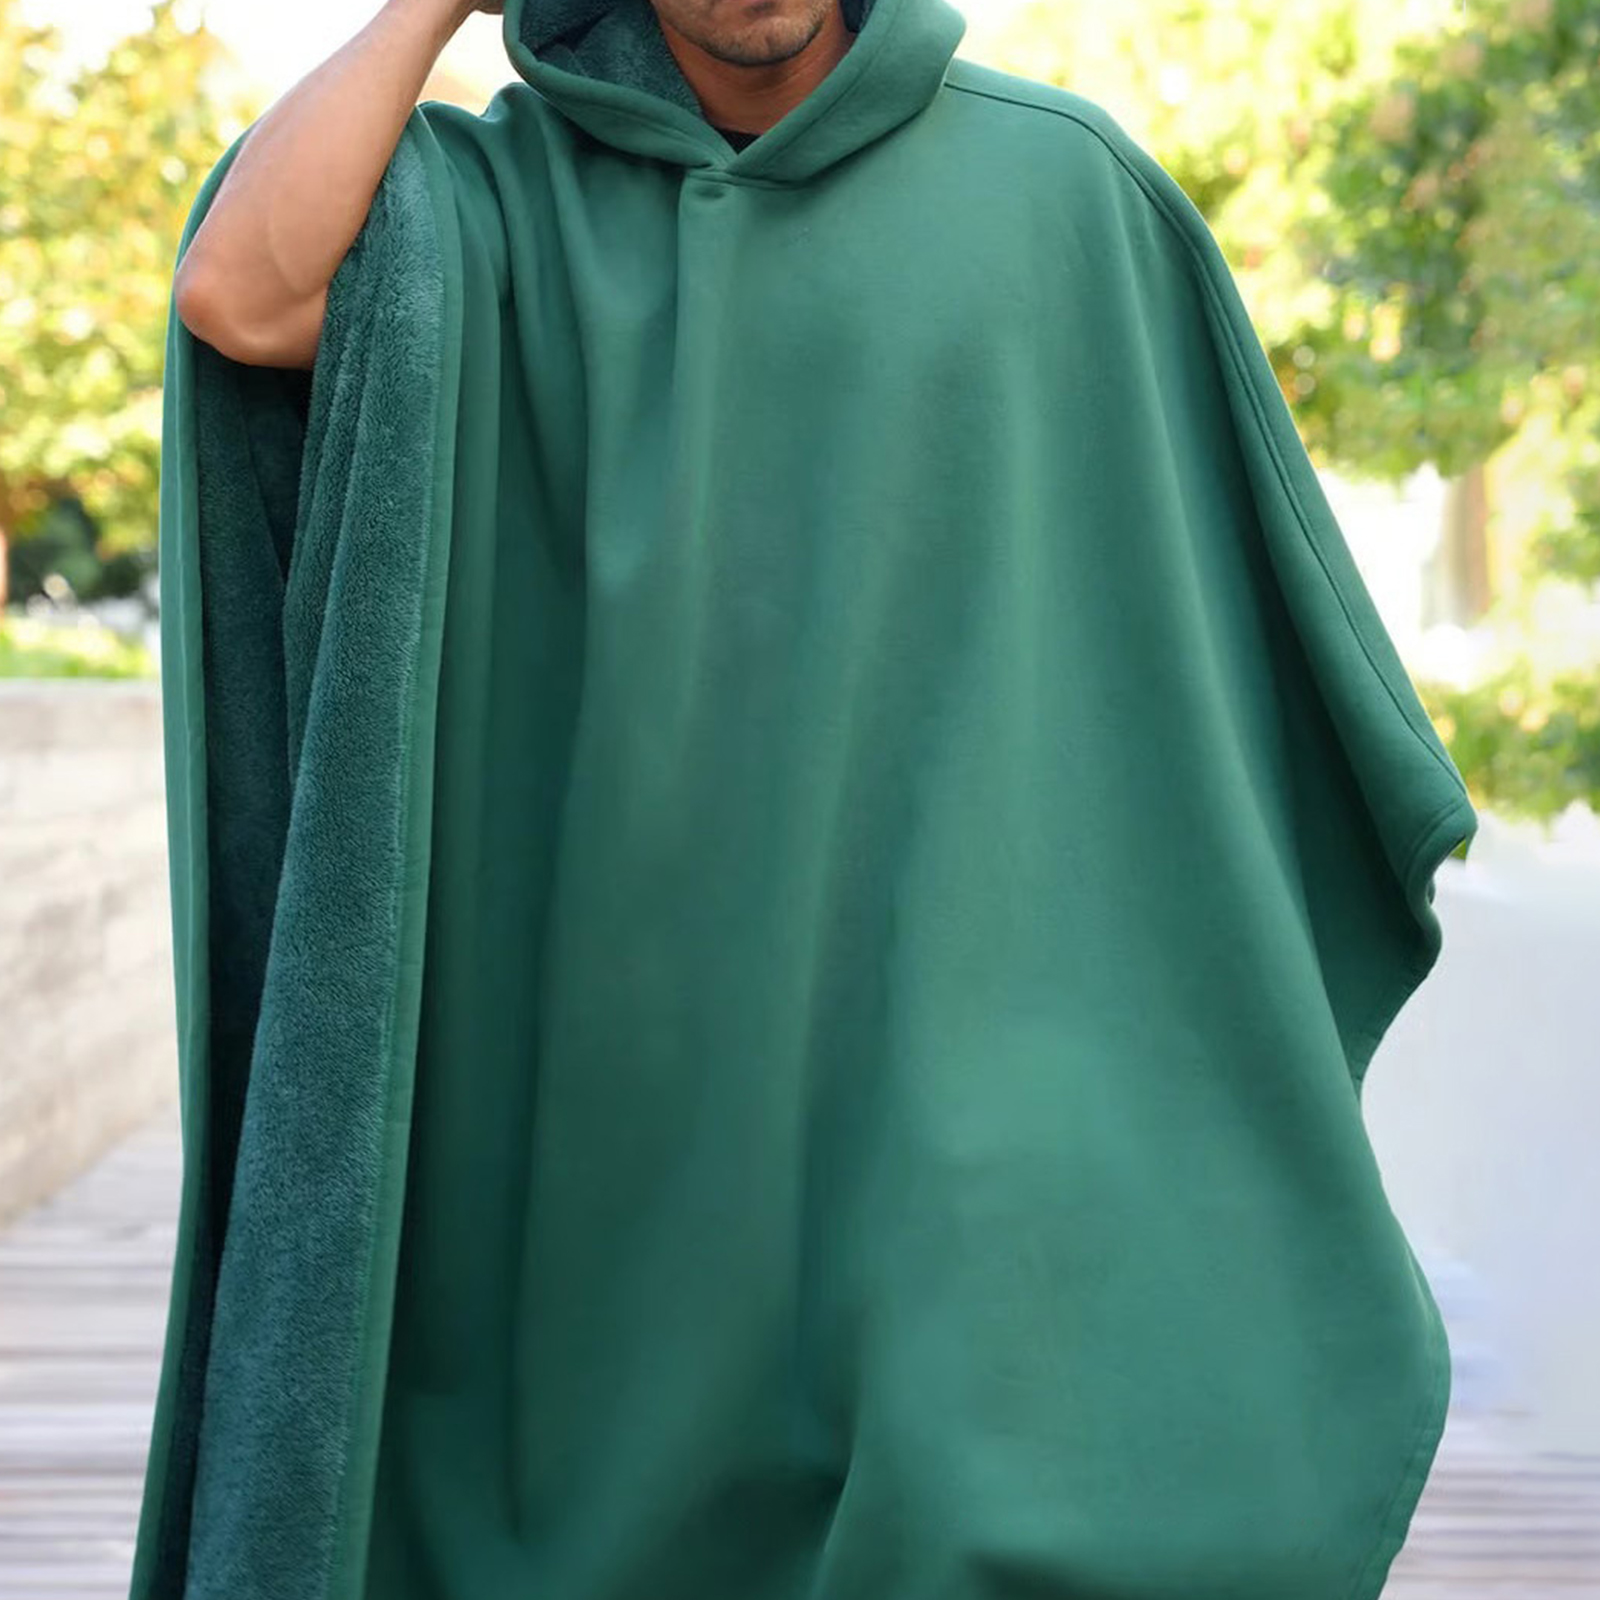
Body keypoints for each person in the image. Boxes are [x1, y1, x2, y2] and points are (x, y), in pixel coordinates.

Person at [134, 2, 1480, 1597]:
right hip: (623, 1093)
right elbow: (241, 293)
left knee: (1004, 1488)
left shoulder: (1063, 197)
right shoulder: (481, 211)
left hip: (968, 1064)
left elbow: (1212, 656)